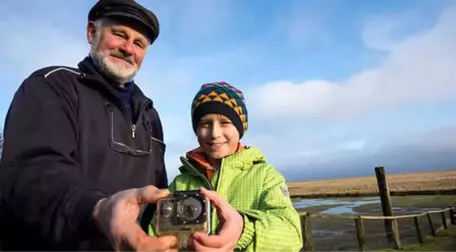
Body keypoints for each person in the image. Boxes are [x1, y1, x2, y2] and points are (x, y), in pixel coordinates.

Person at [0, 0, 177, 251]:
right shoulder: (52, 86)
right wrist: (99, 209)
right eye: (119, 34)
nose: (128, 48)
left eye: (139, 43)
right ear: (92, 32)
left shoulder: (151, 116)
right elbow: (34, 169)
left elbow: (158, 192)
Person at [147, 82, 303, 251]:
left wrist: (243, 230)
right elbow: (154, 233)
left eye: (225, 122)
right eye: (205, 123)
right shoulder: (180, 183)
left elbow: (292, 234)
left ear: (240, 128)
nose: (215, 134)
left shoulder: (266, 177)